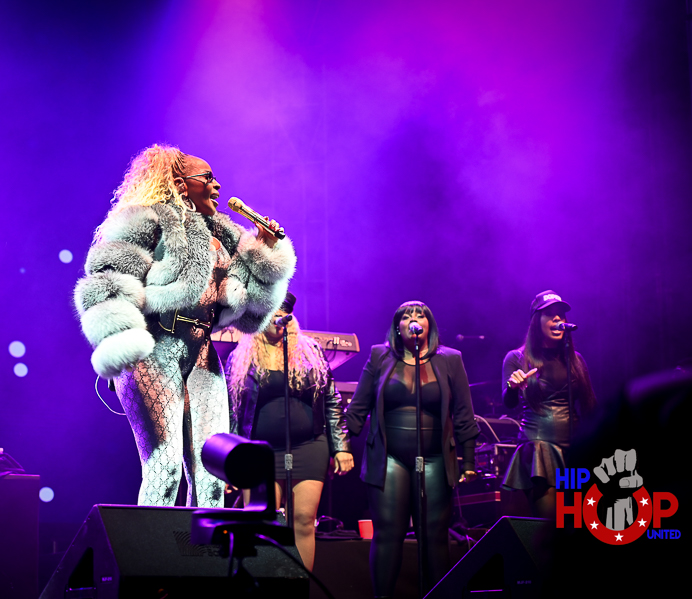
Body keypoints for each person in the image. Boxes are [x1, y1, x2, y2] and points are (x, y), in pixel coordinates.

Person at [74, 144, 296, 508]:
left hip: (202, 350)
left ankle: (202, 548)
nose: (217, 185)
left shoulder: (225, 236)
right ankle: (149, 548)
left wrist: (264, 250)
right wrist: (120, 338)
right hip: (154, 349)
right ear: (180, 183)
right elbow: (107, 278)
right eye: (207, 177)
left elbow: (250, 314)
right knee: (164, 470)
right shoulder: (148, 219)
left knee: (214, 475)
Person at [345, 301, 479, 597]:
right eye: (406, 316)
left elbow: (464, 413)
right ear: (397, 327)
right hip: (389, 458)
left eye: (420, 315)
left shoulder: (450, 359)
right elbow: (358, 408)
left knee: (434, 537)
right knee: (388, 534)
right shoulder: (380, 356)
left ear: (429, 325)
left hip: (435, 458)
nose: (414, 319)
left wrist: (468, 461)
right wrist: (340, 447)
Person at [226, 292, 354, 571]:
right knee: (262, 521)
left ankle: (299, 587)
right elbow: (233, 411)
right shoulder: (241, 356)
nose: (278, 319)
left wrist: (341, 447)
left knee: (304, 521)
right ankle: (264, 586)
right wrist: (232, 461)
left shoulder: (311, 352)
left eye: (283, 314)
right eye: (272, 313)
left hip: (309, 447)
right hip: (259, 452)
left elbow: (331, 400)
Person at [501, 290, 597, 518]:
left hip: (573, 448)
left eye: (561, 315)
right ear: (537, 321)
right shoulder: (517, 358)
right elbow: (508, 402)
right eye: (550, 314)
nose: (557, 319)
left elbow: (589, 407)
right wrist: (513, 387)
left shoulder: (576, 360)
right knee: (552, 521)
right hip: (540, 449)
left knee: (575, 523)